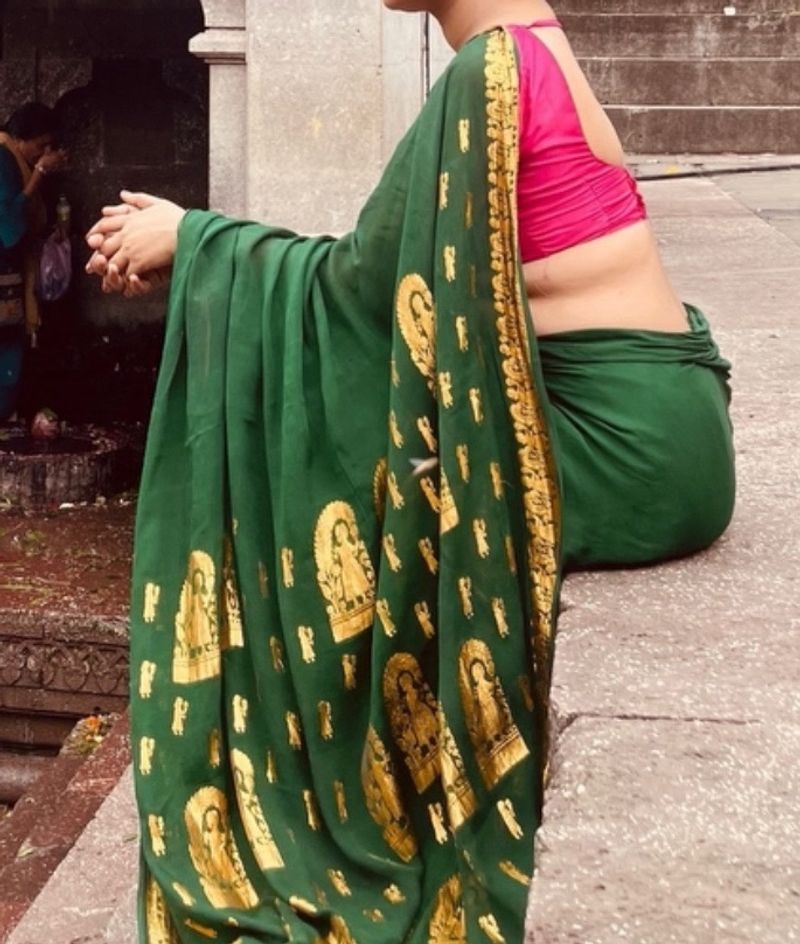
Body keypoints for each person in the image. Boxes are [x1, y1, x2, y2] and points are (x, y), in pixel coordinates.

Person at [85, 2, 735, 942]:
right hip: (668, 435)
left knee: (338, 483)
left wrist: (194, 243)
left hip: (623, 453)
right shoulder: (531, 51)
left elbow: (364, 290)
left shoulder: (488, 74)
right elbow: (396, 287)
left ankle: (306, 800)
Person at [0, 103, 67, 420]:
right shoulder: (2, 159)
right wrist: (39, 173)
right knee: (7, 360)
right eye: (41, 146)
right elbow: (8, 224)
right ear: (20, 138)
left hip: (11, 274)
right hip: (4, 274)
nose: (45, 153)